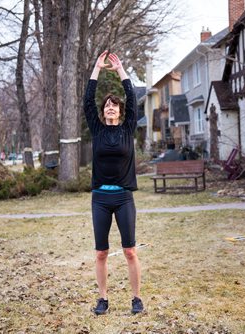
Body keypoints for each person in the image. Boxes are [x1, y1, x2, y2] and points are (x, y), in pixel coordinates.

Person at [83, 50, 144, 315]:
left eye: (114, 105)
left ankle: (136, 298)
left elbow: (133, 99)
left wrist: (121, 71)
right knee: (101, 253)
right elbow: (87, 101)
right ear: (103, 110)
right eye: (107, 104)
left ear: (119, 111)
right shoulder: (97, 130)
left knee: (130, 251)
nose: (110, 107)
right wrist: (96, 69)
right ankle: (103, 299)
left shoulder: (126, 128)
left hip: (123, 198)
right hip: (100, 198)